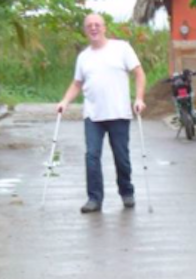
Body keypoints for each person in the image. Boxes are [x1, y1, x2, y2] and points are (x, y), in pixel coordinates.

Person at [57, 13, 146, 214]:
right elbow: (77, 83)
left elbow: (139, 73)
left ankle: (126, 192)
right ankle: (94, 198)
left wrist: (139, 98)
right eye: (90, 25)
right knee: (92, 156)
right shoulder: (83, 57)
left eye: (97, 24)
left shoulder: (121, 48)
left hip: (119, 114)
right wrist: (64, 101)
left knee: (121, 157)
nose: (94, 28)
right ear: (86, 30)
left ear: (104, 27)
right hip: (93, 116)